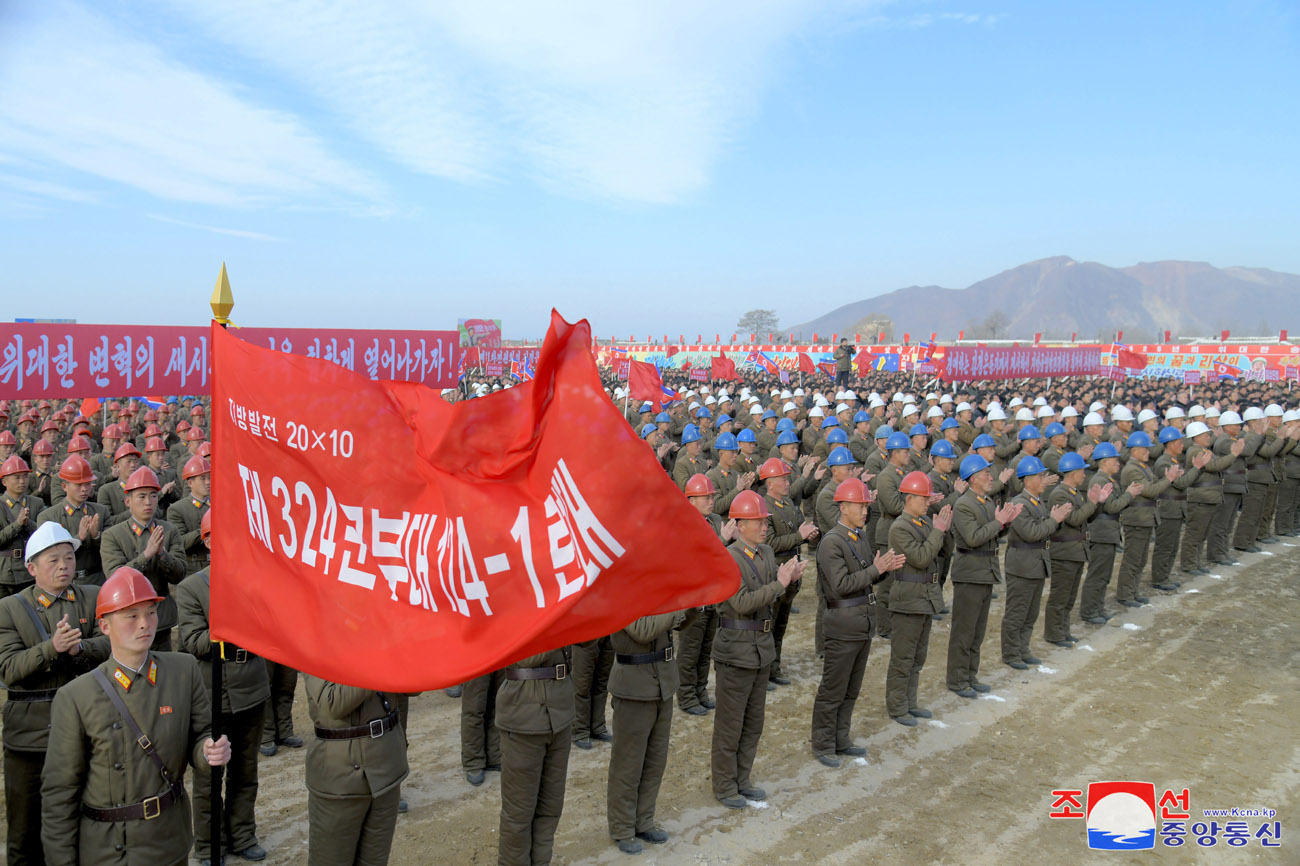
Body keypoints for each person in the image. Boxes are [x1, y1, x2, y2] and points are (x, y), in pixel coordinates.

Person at [40, 566, 232, 866]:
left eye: (150, 612)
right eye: (131, 616)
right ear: (104, 626)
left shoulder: (182, 670)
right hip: (111, 850)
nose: (145, 624)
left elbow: (200, 736)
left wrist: (209, 751)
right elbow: (58, 796)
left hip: (169, 841)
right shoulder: (76, 696)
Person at [0, 523, 110, 866]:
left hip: (86, 727)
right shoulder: (9, 608)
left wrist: (81, 649)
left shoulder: (93, 596)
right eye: (53, 560)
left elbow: (112, 645)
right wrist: (52, 648)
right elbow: (8, 670)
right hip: (30, 736)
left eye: (68, 557)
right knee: (25, 827)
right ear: (31, 568)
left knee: (83, 819)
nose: (64, 565)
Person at [174, 511, 270, 865]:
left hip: (253, 687)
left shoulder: (256, 577)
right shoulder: (191, 588)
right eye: (220, 535)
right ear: (209, 541)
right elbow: (193, 640)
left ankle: (243, 834)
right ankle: (210, 844)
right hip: (215, 693)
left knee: (246, 772)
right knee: (210, 776)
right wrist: (232, 633)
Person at [711, 490, 801, 808]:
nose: (764, 526)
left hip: (760, 648)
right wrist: (779, 583)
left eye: (764, 521)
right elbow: (742, 602)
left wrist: (789, 584)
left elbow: (774, 599)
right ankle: (724, 785)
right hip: (736, 650)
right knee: (730, 723)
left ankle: (742, 778)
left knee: (753, 721)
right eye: (757, 521)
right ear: (738, 525)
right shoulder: (729, 557)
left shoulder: (763, 552)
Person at [813, 478, 902, 763]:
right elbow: (840, 584)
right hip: (843, 623)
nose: (865, 511)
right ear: (843, 507)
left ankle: (841, 738)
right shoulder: (832, 542)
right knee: (833, 688)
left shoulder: (860, 537)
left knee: (851, 688)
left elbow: (866, 577)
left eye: (866, 505)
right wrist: (877, 569)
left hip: (861, 622)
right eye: (860, 505)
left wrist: (883, 569)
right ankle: (823, 744)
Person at [302, 676, 408, 866]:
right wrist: (378, 660)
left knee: (375, 860)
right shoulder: (318, 645)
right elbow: (333, 702)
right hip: (340, 779)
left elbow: (414, 685)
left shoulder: (382, 645)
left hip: (386, 768)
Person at [606, 610, 683, 855]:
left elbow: (680, 623)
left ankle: (644, 820)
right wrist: (678, 606)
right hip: (633, 686)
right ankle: (622, 828)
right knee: (628, 764)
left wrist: (692, 606)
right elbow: (642, 630)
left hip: (663, 681)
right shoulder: (621, 588)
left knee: (655, 761)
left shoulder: (658, 588)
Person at [947, 454, 1020, 697]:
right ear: (973, 478)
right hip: (970, 572)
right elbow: (973, 538)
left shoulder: (985, 502)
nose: (991, 477)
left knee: (977, 631)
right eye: (986, 474)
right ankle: (957, 679)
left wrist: (1006, 524)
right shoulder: (964, 504)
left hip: (984, 571)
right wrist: (999, 523)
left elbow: (990, 535)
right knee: (964, 630)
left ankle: (970, 675)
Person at [495, 645, 574, 866]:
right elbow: (529, 658)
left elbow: (587, 640)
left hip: (560, 712)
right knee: (519, 812)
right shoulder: (514, 612)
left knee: (550, 806)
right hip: (523, 718)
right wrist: (558, 618)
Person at [885, 472, 949, 726]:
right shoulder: (900, 527)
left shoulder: (922, 523)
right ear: (909, 498)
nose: (927, 502)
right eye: (922, 498)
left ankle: (909, 702)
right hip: (909, 598)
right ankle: (898, 706)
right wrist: (938, 531)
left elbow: (939, 552)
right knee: (903, 656)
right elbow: (922, 557)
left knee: (917, 656)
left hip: (923, 597)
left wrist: (939, 530)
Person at [99, 466, 187, 651]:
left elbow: (179, 574)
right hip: (127, 618)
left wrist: (162, 555)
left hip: (161, 617)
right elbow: (115, 577)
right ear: (127, 501)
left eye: (153, 496)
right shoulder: (113, 535)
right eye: (141, 496)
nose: (148, 502)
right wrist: (146, 555)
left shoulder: (169, 530)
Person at [1001, 457, 1072, 669]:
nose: (1044, 480)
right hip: (1023, 565)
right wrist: (1054, 520)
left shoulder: (1035, 501)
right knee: (1017, 612)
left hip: (1035, 564)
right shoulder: (1020, 504)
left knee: (1030, 613)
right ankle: (1011, 653)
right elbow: (1032, 533)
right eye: (1040, 477)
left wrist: (1052, 521)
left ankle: (1023, 649)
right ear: (1028, 480)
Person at [1044, 453, 1106, 646]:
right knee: (1060, 596)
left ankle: (1063, 630)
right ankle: (1054, 633)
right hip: (1064, 551)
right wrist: (1092, 503)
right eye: (1082, 471)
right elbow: (1074, 519)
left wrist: (1097, 504)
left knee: (1069, 596)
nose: (1084, 475)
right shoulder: (1060, 494)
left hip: (1075, 550)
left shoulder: (1074, 492)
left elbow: (1087, 518)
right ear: (1073, 473)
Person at [677, 474, 726, 715]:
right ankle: (686, 696)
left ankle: (700, 691)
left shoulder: (715, 520)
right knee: (689, 651)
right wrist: (723, 540)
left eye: (712, 496)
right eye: (705, 497)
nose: (711, 500)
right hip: (693, 601)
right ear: (691, 500)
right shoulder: (683, 524)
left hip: (712, 597)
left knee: (706, 649)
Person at [1115, 432, 1180, 608]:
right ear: (1134, 450)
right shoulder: (1132, 469)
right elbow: (1150, 491)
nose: (1147, 452)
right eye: (1144, 449)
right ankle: (1125, 593)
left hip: (1144, 518)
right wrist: (1169, 479)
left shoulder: (1142, 467)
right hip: (1136, 519)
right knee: (1133, 558)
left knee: (1141, 558)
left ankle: (1132, 591)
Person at [2, 456, 45, 597]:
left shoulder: (36, 503)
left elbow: (43, 535)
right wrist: (17, 525)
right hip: (5, 574)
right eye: (17, 477)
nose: (22, 481)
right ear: (4, 481)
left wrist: (28, 524)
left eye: (25, 476)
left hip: (31, 571)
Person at [461, 669, 505, 786]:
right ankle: (473, 761)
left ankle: (494, 756)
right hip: (476, 655)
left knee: (499, 703)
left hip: (500, 653)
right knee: (474, 708)